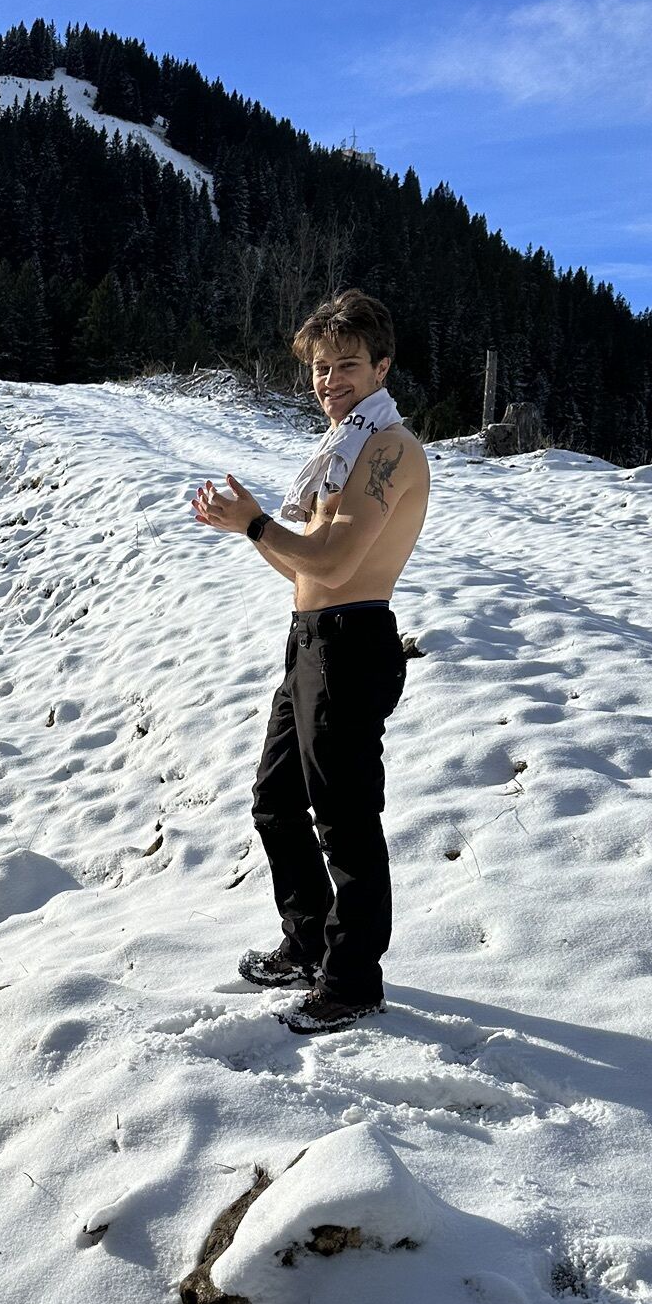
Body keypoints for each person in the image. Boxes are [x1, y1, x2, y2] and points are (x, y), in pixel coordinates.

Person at [191, 288, 430, 1034]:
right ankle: (308, 944)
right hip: (311, 640)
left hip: (352, 643)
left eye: (346, 365)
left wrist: (257, 523)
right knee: (275, 801)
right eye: (321, 368)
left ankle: (353, 980)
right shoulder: (340, 451)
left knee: (346, 820)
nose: (330, 381)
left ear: (382, 367)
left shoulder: (389, 450)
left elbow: (333, 561)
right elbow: (305, 571)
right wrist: (249, 531)